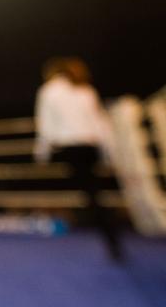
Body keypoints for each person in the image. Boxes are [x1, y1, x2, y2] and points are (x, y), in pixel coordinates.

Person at [34, 57, 123, 260]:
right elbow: (101, 125)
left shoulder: (49, 91)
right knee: (94, 193)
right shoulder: (86, 90)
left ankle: (107, 232)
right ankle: (109, 231)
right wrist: (110, 154)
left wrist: (42, 153)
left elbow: (46, 125)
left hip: (70, 149)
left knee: (91, 194)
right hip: (91, 148)